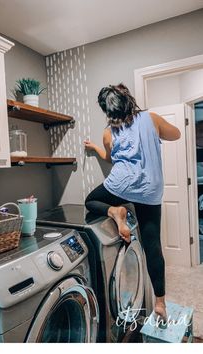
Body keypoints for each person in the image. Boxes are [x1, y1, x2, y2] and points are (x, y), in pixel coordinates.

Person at [84, 83, 181, 322]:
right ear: (128, 100)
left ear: (107, 110)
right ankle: (160, 303)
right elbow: (176, 134)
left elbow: (110, 158)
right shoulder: (152, 119)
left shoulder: (108, 133)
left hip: (122, 186)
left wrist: (97, 146)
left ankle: (115, 211)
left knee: (91, 200)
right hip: (149, 190)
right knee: (152, 245)